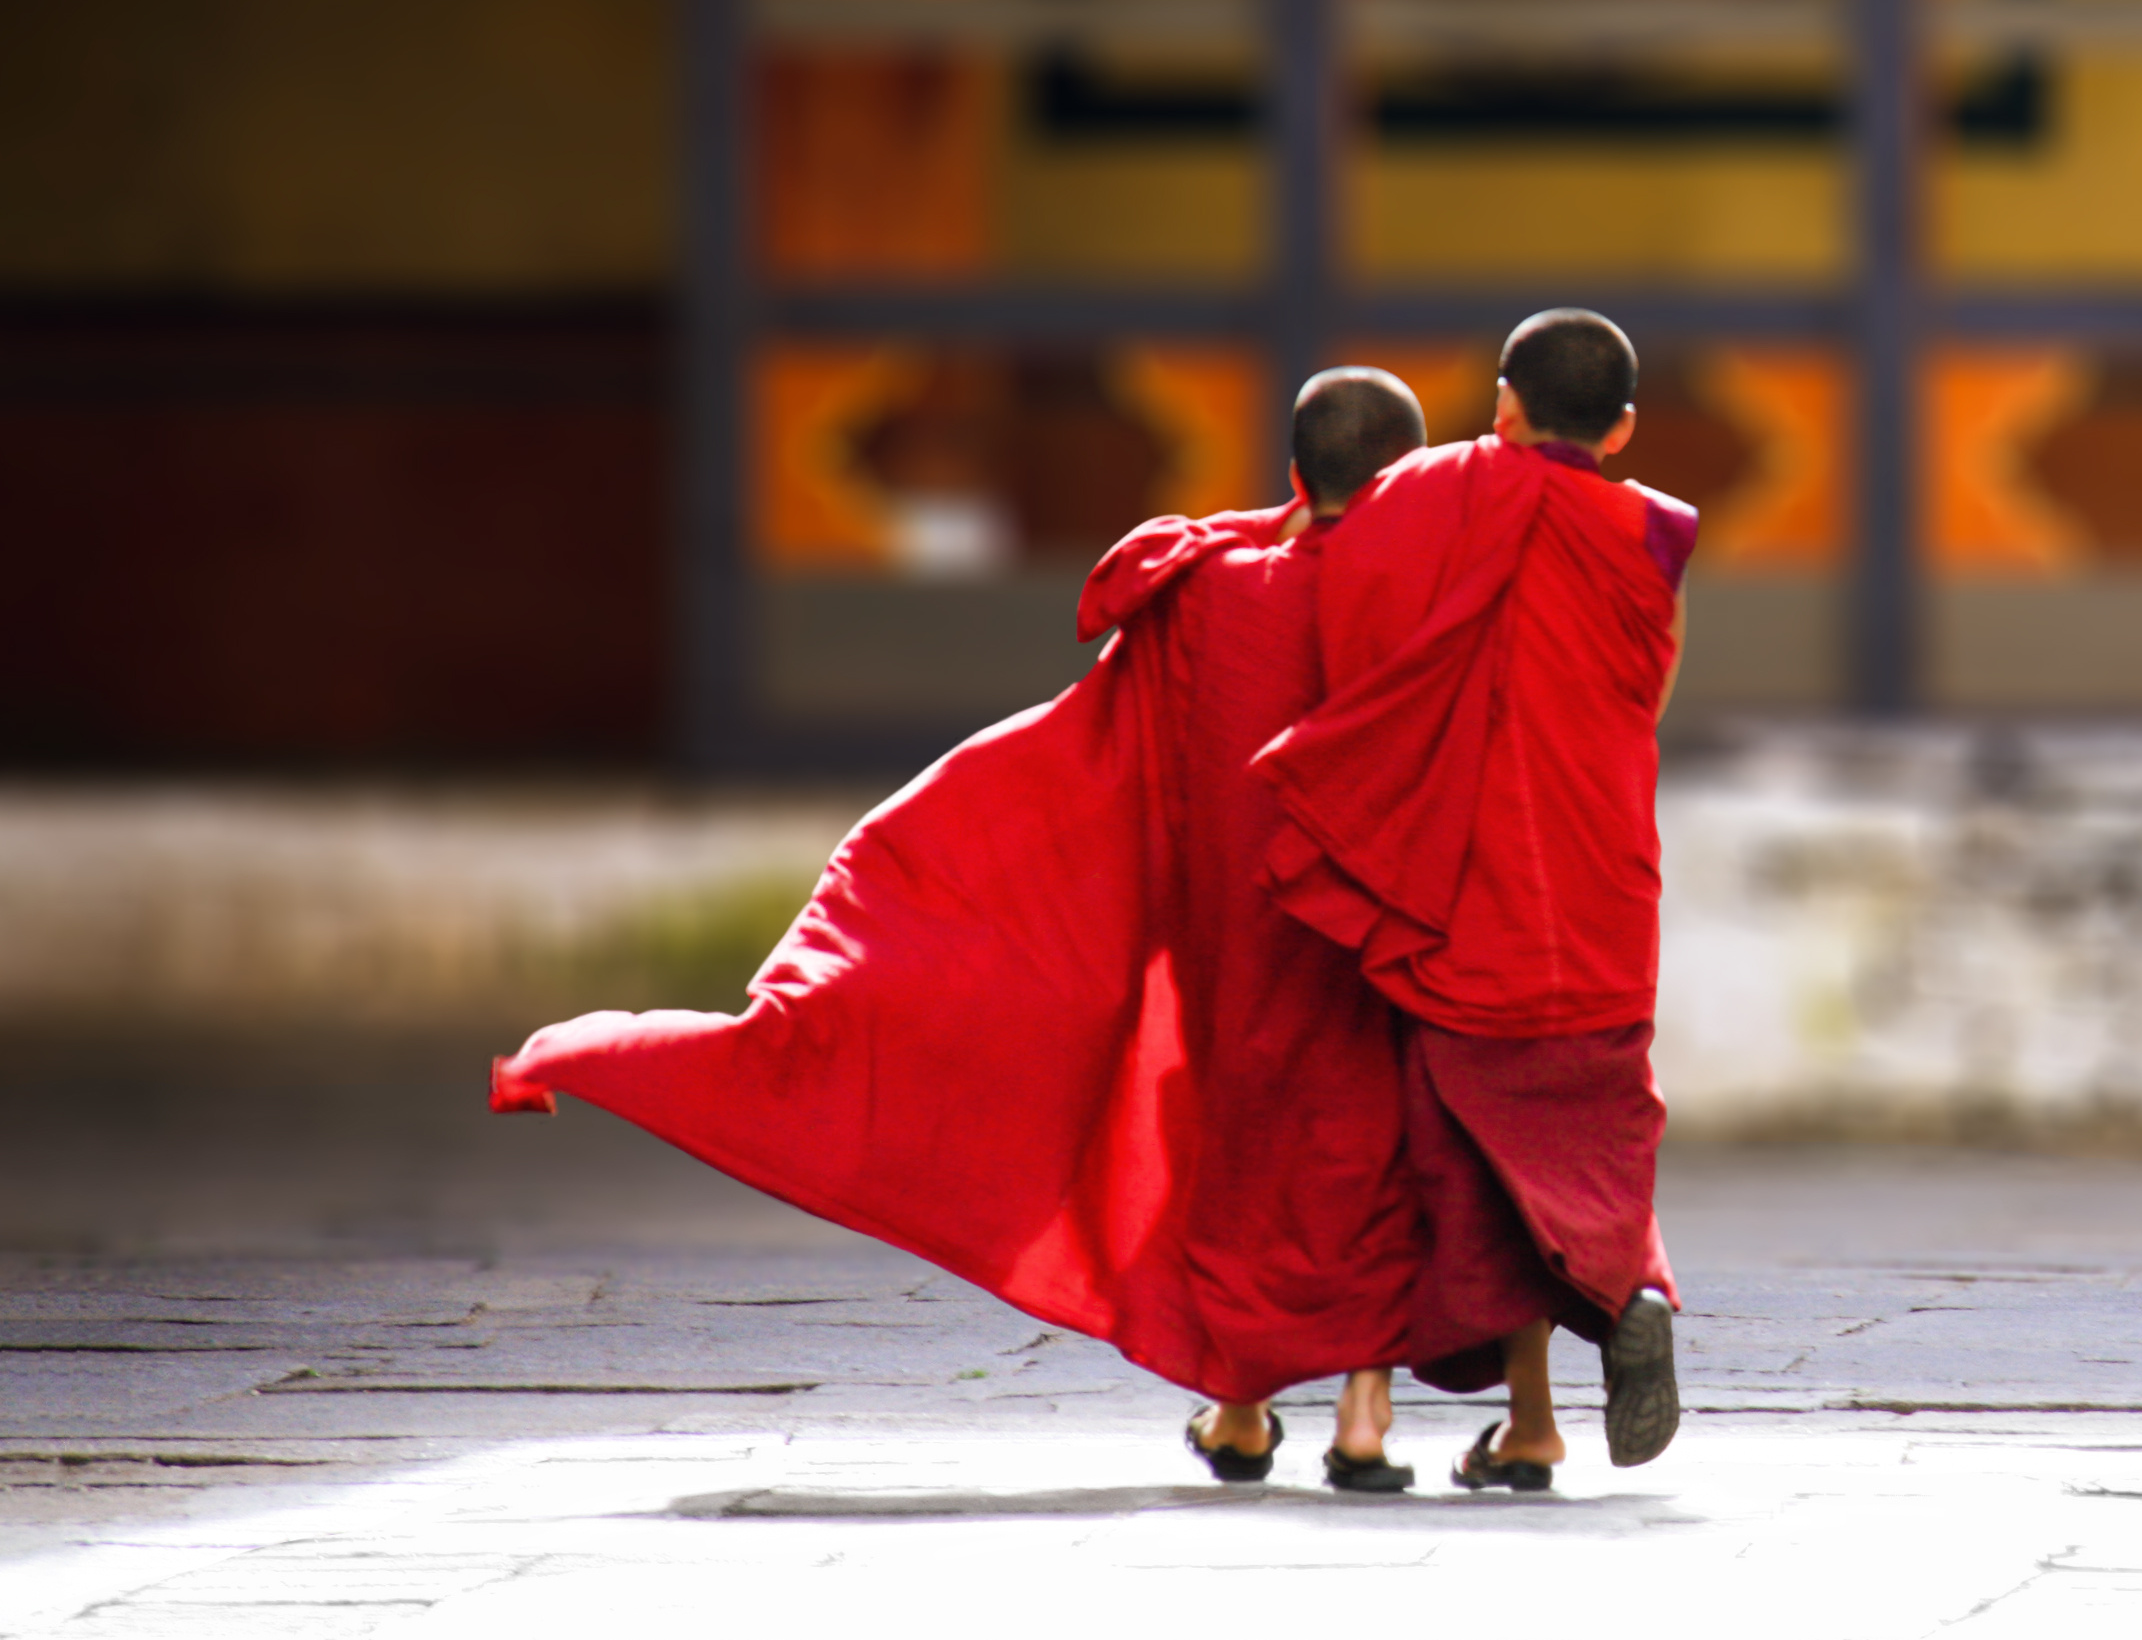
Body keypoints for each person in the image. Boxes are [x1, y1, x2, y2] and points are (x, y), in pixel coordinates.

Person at [491, 367, 1438, 1492]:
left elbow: (1098, 752)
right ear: (1413, 479)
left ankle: (1242, 1410)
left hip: (1233, 940)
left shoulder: (1207, 591)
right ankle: (1364, 1419)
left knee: (1234, 1149)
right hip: (1377, 925)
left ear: (1293, 472)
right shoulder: (1427, 595)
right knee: (1369, 1148)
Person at [1258, 308, 1693, 1494]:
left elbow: (1355, 620)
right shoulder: (1652, 532)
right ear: (1623, 428)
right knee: (1594, 1112)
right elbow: (1640, 693)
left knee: (1469, 1156)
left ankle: (1539, 1390)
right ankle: (1625, 1287)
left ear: (1503, 403)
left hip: (1469, 873)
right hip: (1601, 869)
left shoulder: (1429, 491)